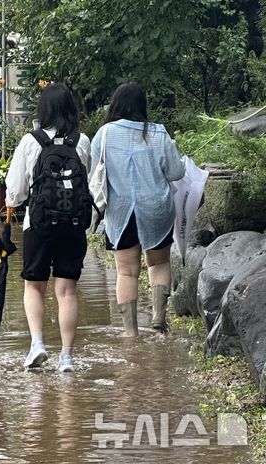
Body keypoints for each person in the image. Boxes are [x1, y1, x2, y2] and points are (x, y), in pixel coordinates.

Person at [4, 83, 91, 373]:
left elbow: (15, 191)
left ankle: (38, 344)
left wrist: (11, 206)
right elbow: (90, 182)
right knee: (67, 290)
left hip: (38, 225)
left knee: (34, 286)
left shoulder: (31, 142)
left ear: (43, 110)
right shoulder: (82, 141)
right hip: (74, 225)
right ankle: (67, 357)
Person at [90, 83, 185, 336]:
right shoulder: (158, 133)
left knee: (126, 272)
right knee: (159, 263)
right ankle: (159, 319)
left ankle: (131, 333)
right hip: (156, 209)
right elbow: (176, 172)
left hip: (120, 211)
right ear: (142, 106)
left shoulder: (104, 135)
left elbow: (95, 175)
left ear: (115, 105)